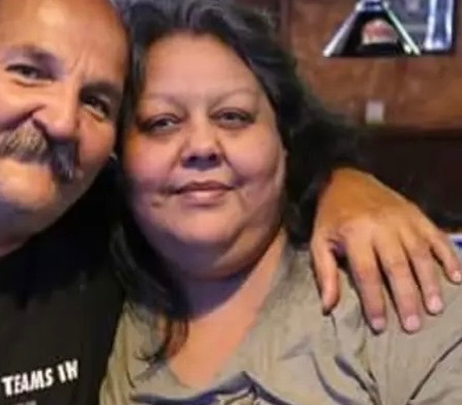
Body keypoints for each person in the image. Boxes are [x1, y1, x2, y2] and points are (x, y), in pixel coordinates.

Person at [0, 0, 457, 404]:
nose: (60, 119)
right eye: (30, 72)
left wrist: (346, 184)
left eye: (96, 101)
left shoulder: (100, 237)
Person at [99, 0, 462, 403]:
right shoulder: (93, 303)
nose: (202, 146)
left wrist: (344, 180)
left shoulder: (401, 292)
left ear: (286, 141)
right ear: (116, 155)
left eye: (232, 116)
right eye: (162, 122)